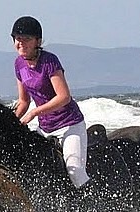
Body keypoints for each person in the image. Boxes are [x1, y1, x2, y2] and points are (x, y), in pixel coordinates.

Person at [11, 16, 91, 190]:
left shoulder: (49, 61)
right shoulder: (19, 64)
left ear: (37, 41)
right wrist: (10, 122)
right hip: (45, 129)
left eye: (27, 39)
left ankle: (93, 208)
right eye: (18, 39)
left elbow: (64, 97)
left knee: (75, 170)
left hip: (68, 125)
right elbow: (24, 101)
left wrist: (33, 113)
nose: (21, 43)